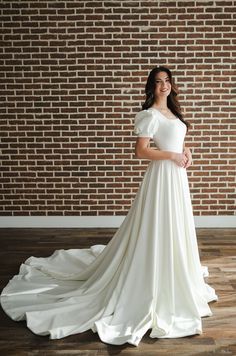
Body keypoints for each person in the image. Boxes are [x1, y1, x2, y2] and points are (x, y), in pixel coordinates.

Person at [0, 66, 218, 347]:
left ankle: (174, 268)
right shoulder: (149, 114)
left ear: (172, 85)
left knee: (176, 223)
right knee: (157, 224)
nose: (163, 85)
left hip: (177, 175)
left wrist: (186, 152)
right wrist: (173, 155)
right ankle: (152, 273)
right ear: (151, 87)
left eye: (167, 81)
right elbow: (141, 151)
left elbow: (177, 141)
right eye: (158, 82)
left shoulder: (174, 113)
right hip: (162, 175)